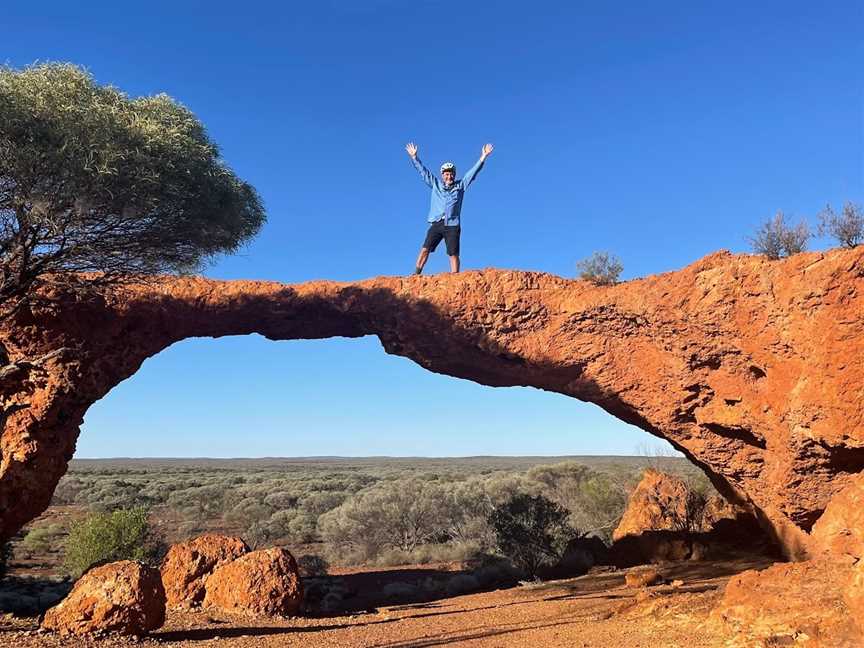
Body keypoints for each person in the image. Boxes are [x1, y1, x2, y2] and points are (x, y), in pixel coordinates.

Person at [405, 142, 494, 274]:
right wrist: (414, 157)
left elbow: (473, 172)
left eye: (451, 173)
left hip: (452, 224)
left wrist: (483, 156)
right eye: (446, 174)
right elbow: (423, 172)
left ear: (454, 175)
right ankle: (416, 274)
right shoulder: (436, 185)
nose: (449, 176)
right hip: (437, 222)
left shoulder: (460, 186)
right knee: (425, 248)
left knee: (453, 254)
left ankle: (455, 277)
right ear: (442, 175)